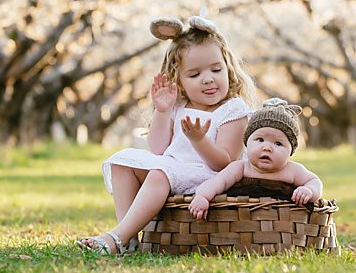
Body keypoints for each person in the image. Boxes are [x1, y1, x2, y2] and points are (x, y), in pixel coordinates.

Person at [77, 15, 255, 254]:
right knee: (121, 162)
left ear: (228, 67)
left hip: (209, 177)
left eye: (216, 69)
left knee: (160, 174)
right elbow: (159, 149)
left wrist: (199, 140)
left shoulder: (233, 109)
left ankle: (115, 238)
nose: (208, 79)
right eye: (194, 74)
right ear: (179, 80)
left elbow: (225, 163)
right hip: (175, 168)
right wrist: (163, 111)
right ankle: (127, 236)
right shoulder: (180, 106)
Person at [187, 98, 323, 220]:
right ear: (247, 143)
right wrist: (203, 197)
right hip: (243, 222)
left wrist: (309, 191)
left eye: (278, 144)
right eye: (260, 140)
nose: (267, 148)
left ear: (291, 151)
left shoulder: (293, 170)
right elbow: (218, 182)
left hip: (282, 223)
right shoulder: (240, 168)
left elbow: (314, 181)